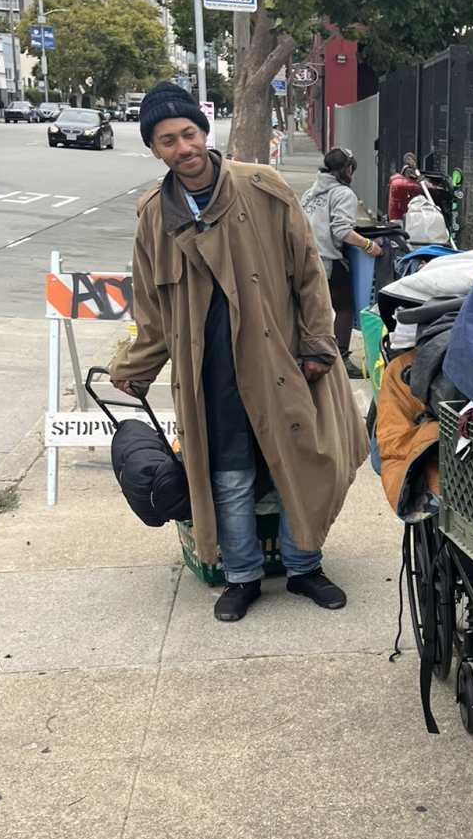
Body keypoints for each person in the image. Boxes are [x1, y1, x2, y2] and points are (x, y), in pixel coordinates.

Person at [109, 81, 368, 623]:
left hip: (281, 362)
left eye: (188, 133)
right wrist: (135, 367)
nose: (184, 147)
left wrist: (319, 344)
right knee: (228, 478)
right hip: (209, 373)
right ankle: (243, 575)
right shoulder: (154, 217)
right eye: (167, 140)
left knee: (298, 462)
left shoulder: (264, 188)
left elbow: (310, 277)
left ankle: (304, 567)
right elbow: (151, 309)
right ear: (154, 149)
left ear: (204, 133)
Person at [301, 147, 382, 379]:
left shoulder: (309, 193)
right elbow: (342, 230)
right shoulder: (343, 194)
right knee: (344, 307)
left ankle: (310, 352)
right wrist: (369, 246)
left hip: (304, 259)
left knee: (311, 310)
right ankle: (340, 359)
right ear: (347, 170)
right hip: (328, 261)